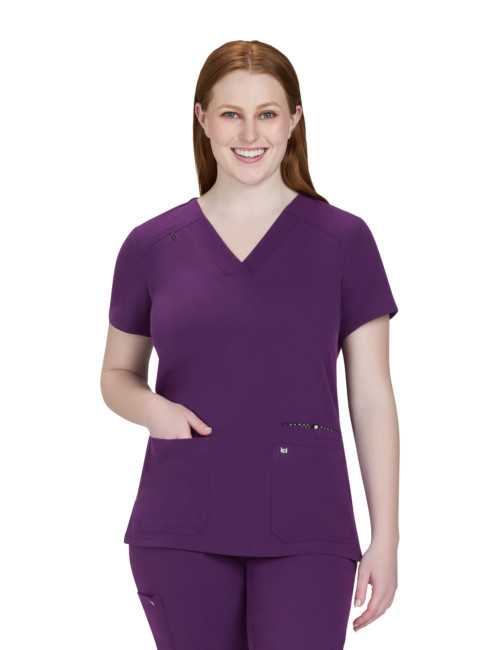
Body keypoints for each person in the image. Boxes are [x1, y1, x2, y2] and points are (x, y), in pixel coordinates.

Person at [101, 39, 400, 650]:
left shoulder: (344, 241)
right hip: (181, 521)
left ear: (294, 119)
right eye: (231, 113)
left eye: (267, 113)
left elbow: (371, 396)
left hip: (308, 523)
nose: (249, 133)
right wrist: (155, 411)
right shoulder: (151, 246)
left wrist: (386, 537)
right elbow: (116, 375)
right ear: (202, 119)